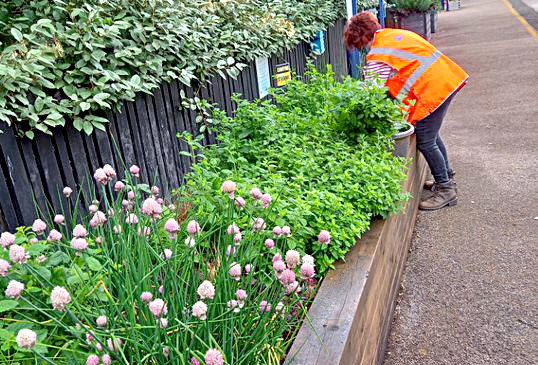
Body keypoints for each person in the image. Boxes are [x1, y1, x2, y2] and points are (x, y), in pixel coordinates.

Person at [343, 12, 469, 211]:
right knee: (431, 136)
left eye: (359, 45)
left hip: (433, 88)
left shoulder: (377, 55)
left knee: (426, 140)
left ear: (363, 37)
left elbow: (370, 95)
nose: (361, 49)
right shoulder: (392, 35)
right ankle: (445, 178)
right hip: (445, 78)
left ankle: (446, 190)